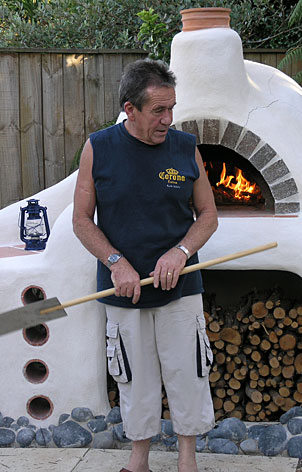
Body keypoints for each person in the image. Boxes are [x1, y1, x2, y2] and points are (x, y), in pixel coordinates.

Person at [72, 58, 218, 472]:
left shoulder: (185, 147)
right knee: (134, 379)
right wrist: (115, 262)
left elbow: (208, 215)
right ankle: (139, 462)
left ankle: (187, 461)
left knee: (188, 374)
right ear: (130, 109)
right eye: (158, 110)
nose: (168, 119)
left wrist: (181, 252)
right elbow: (81, 220)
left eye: (171, 108)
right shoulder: (99, 147)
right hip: (123, 289)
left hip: (181, 288)